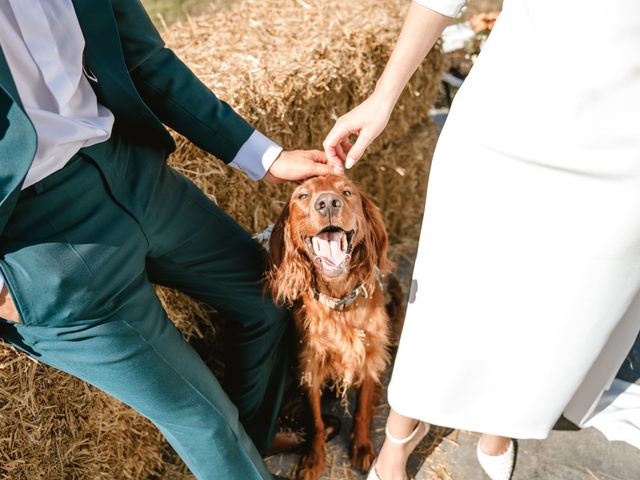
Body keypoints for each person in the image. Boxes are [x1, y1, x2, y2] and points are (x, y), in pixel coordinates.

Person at [0, 1, 340, 478]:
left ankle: (253, 444)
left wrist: (266, 158)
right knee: (205, 424)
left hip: (131, 170)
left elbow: (143, 59)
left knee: (268, 296)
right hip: (39, 243)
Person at [323, 0, 640, 479]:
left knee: (559, 307)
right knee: (454, 299)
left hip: (624, 156)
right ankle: (400, 437)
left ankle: (501, 420)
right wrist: (382, 98)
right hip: (506, 129)